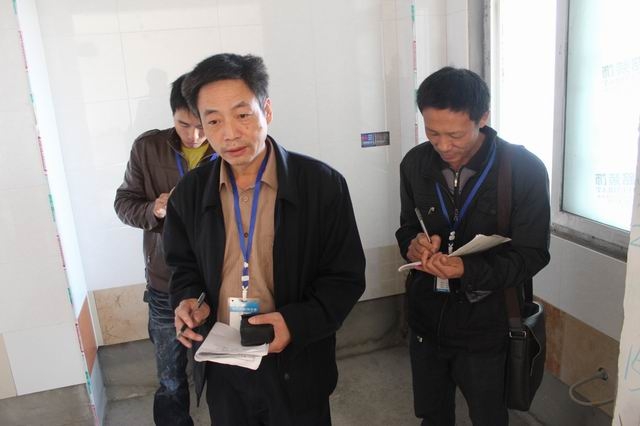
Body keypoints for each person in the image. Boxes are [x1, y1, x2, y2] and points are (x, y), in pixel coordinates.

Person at [162, 53, 366, 425]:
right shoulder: (189, 193)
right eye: (214, 120)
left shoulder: (321, 185)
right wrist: (189, 299)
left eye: (242, 115)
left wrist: (296, 324)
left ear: (266, 110)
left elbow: (345, 278)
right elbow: (182, 265)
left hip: (295, 363)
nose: (229, 134)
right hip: (223, 363)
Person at [395, 67, 550, 426]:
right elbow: (406, 227)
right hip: (426, 318)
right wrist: (414, 246)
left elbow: (533, 254)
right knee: (432, 415)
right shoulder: (415, 163)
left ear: (483, 118)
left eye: (455, 134)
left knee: (488, 415)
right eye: (432, 132)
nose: (443, 146)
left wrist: (467, 270)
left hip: (487, 325)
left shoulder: (522, 169)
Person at [114, 74, 217, 426]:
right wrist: (154, 209)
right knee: (171, 377)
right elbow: (123, 203)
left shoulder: (229, 147)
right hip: (165, 282)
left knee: (226, 370)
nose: (195, 136)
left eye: (203, 125)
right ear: (172, 115)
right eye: (184, 125)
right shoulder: (148, 148)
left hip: (219, 281)